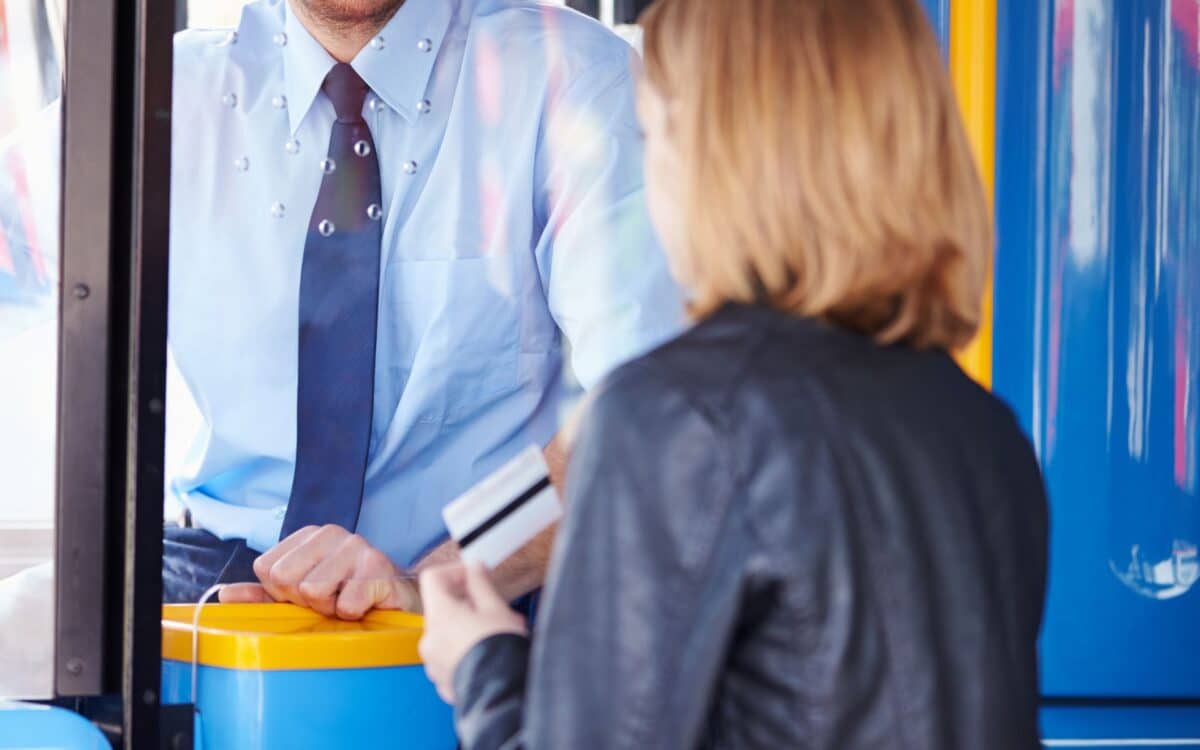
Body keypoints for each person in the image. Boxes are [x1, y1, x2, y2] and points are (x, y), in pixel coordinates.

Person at [417, 0, 1050, 747]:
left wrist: (484, 668)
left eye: (656, 135)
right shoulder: (984, 432)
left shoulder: (679, 413)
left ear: (722, 153)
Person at [161, 0, 684, 612]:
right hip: (224, 567)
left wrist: (437, 579)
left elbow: (645, 411)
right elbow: (23, 252)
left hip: (483, 578)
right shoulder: (166, 94)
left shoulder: (572, 79)